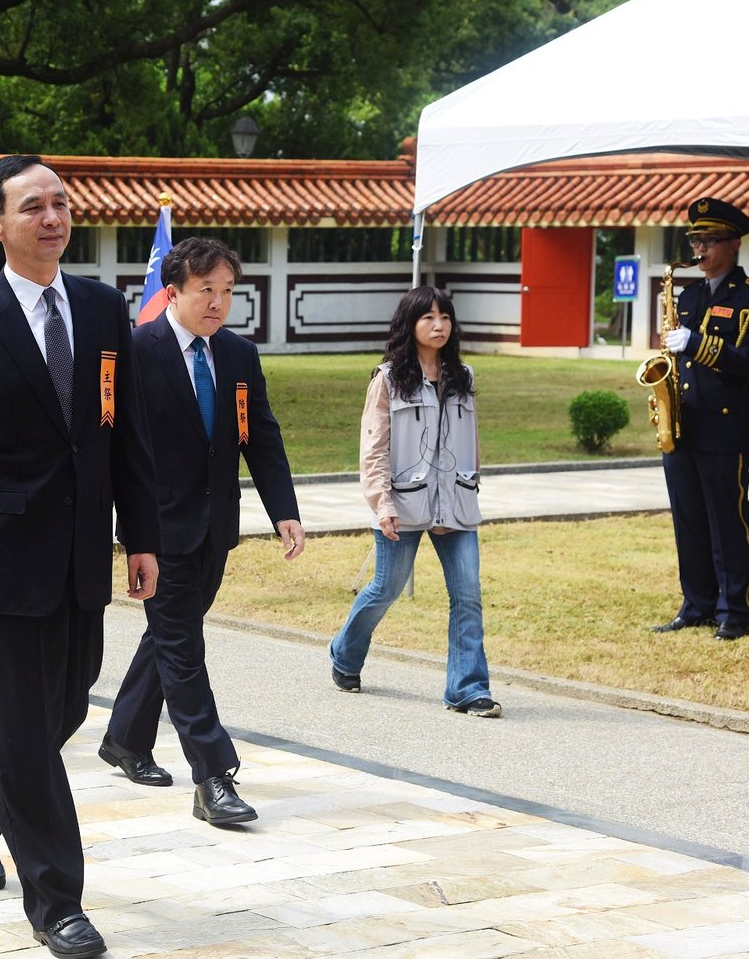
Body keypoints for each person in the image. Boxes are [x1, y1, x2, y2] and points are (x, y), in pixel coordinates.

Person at [0, 155, 159, 959]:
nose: (53, 217)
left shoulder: (99, 310)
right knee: (25, 722)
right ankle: (57, 900)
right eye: (33, 207)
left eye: (61, 203)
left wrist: (143, 535)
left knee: (63, 710)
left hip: (84, 548)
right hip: (3, 554)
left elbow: (121, 432)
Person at [101, 236, 304, 827]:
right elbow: (115, 447)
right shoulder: (137, 351)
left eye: (227, 293)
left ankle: (125, 739)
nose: (218, 304)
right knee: (184, 651)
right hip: (157, 530)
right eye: (205, 291)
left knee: (172, 638)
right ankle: (213, 775)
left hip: (216, 526)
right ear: (174, 292)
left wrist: (283, 509)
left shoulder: (238, 355)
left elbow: (260, 435)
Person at [328, 286, 500, 717]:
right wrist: (381, 503)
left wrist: (470, 482)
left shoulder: (465, 377)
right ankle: (345, 654)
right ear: (411, 323)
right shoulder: (387, 380)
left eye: (445, 317)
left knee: (468, 594)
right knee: (385, 588)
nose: (439, 325)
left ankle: (467, 689)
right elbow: (374, 447)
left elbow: (470, 442)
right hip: (402, 504)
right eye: (429, 318)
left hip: (456, 505)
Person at [650, 197, 749, 641]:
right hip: (683, 425)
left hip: (726, 428)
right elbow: (678, 358)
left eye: (708, 240)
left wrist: (696, 343)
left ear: (734, 243)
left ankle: (735, 611)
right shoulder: (687, 295)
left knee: (728, 518)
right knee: (688, 518)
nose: (699, 249)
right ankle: (697, 604)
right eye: (695, 240)